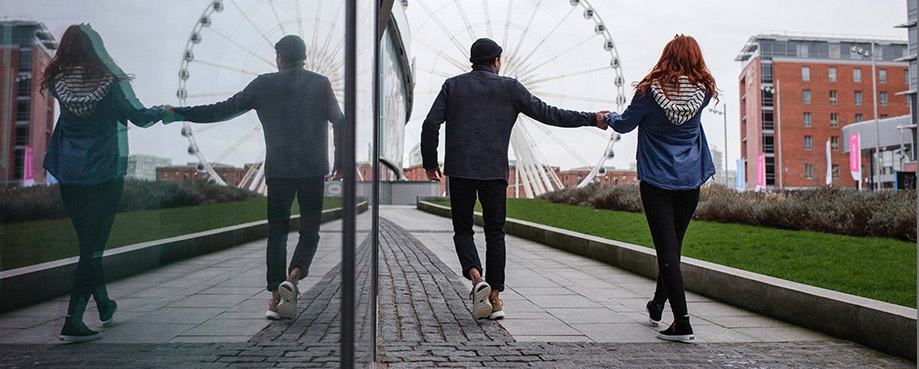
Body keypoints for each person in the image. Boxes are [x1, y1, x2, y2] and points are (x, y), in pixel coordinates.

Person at [421, 38, 609, 321]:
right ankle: (495, 299)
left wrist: (430, 163)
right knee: (495, 232)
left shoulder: (453, 86)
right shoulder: (510, 87)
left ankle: (475, 279)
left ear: (473, 61)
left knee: (463, 229)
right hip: (495, 172)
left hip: (459, 171)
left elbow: (430, 124)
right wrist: (591, 118)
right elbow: (549, 114)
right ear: (497, 61)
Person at [164, 35, 344, 321]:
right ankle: (293, 278)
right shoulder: (320, 83)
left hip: (279, 170)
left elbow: (222, 110)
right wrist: (341, 161)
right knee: (310, 230)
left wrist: (181, 113)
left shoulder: (263, 84)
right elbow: (340, 121)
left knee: (277, 232)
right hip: (312, 170)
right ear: (304, 57)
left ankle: (275, 299)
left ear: (280, 58)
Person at [41, 24, 165, 343]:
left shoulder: (57, 82)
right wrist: (162, 111)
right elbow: (138, 116)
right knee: (93, 249)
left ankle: (104, 304)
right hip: (103, 173)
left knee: (88, 246)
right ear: (98, 49)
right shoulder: (109, 83)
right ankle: (73, 319)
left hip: (69, 174)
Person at [604, 34, 717, 342]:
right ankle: (657, 305)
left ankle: (682, 322)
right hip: (690, 179)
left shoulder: (648, 92)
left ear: (666, 56)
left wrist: (606, 118)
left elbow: (625, 123)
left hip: (656, 180)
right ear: (696, 58)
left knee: (666, 250)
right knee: (673, 248)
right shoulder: (704, 93)